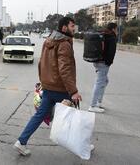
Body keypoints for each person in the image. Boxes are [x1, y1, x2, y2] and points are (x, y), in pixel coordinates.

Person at [14, 17, 82, 156]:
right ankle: (82, 144)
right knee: (72, 114)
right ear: (64, 27)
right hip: (61, 88)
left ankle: (21, 142)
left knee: (39, 115)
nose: (74, 28)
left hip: (49, 87)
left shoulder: (48, 40)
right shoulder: (64, 44)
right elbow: (65, 69)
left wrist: (44, 83)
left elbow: (41, 64)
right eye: (72, 26)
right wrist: (73, 91)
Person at [88, 22, 118, 113]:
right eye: (116, 29)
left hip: (97, 61)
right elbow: (111, 52)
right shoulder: (111, 37)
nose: (117, 31)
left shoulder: (103, 34)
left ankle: (98, 102)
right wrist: (108, 63)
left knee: (105, 81)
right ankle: (93, 105)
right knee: (100, 82)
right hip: (103, 63)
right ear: (113, 29)